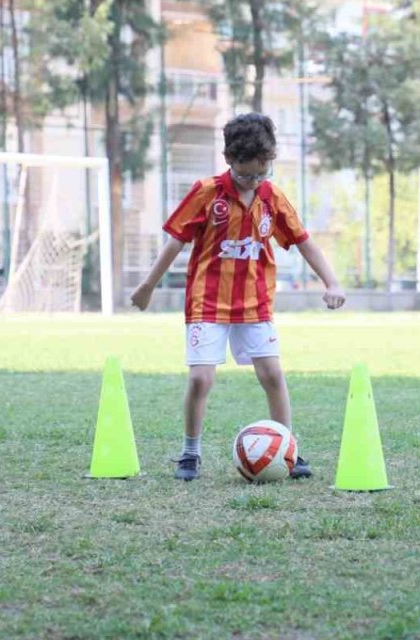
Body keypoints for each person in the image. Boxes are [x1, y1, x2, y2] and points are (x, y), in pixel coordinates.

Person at [130, 113, 346, 481]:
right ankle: (189, 453)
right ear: (229, 159)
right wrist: (148, 285)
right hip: (207, 303)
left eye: (263, 173)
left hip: (255, 303)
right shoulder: (206, 193)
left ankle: (287, 449)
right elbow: (175, 241)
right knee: (201, 380)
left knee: (273, 375)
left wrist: (332, 282)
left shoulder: (271, 196)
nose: (255, 181)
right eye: (247, 175)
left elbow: (303, 242)